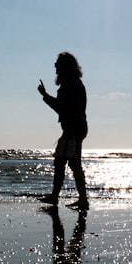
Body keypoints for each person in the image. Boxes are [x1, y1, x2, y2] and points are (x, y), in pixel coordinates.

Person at [37, 51, 88, 210]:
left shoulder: (72, 84)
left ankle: (80, 200)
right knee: (64, 163)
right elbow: (62, 108)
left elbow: (62, 108)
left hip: (74, 128)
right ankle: (60, 197)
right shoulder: (72, 83)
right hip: (74, 128)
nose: (55, 66)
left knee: (71, 164)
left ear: (65, 66)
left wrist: (45, 96)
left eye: (58, 64)